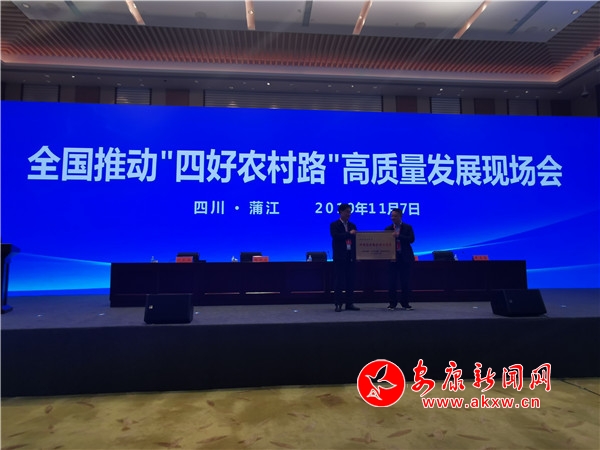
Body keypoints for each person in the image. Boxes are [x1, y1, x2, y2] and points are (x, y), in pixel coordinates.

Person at [330, 203, 360, 312]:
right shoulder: (334, 225)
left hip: (350, 256)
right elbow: (337, 237)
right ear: (341, 212)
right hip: (340, 256)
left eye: (350, 212)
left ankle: (349, 303)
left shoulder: (352, 225)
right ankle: (338, 304)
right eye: (347, 211)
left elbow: (356, 241)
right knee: (339, 281)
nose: (349, 214)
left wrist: (357, 255)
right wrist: (349, 234)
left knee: (350, 281)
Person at [385, 208, 415, 311]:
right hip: (392, 258)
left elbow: (411, 239)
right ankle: (392, 303)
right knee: (392, 282)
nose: (393, 218)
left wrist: (399, 236)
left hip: (405, 257)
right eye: (392, 216)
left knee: (405, 281)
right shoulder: (388, 229)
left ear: (400, 216)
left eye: (395, 216)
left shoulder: (407, 227)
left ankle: (405, 303)